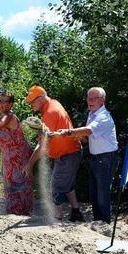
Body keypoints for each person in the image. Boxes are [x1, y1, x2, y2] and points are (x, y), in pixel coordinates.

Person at [50, 87, 118, 223]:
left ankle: (105, 223)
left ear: (102, 101)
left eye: (94, 98)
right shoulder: (92, 114)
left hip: (106, 159)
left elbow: (87, 131)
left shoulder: (103, 117)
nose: (90, 101)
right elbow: (88, 137)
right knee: (94, 194)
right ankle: (99, 222)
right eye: (88, 98)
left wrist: (69, 132)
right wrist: (76, 137)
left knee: (102, 194)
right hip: (97, 159)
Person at [25, 86, 84, 222]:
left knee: (56, 186)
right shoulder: (52, 104)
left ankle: (57, 218)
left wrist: (29, 164)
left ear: (41, 98)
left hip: (67, 154)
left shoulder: (49, 112)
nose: (30, 104)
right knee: (67, 184)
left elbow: (43, 145)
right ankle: (76, 212)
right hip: (69, 152)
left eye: (32, 101)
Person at [0, 91, 33, 215]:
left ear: (10, 104)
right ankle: (15, 212)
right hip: (8, 160)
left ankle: (22, 213)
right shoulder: (2, 118)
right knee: (11, 186)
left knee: (19, 186)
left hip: (19, 159)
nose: (1, 104)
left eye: (4, 101)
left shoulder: (9, 116)